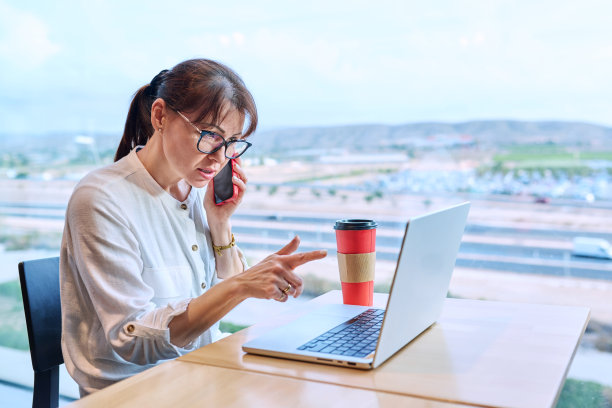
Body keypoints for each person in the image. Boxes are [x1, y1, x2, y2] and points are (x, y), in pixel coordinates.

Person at [60, 58, 327, 396]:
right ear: (160, 116)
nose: (219, 158)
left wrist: (220, 222)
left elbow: (220, 294)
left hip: (200, 374)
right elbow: (132, 343)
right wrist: (241, 285)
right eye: (210, 135)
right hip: (133, 393)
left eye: (231, 143)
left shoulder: (194, 190)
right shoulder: (101, 199)